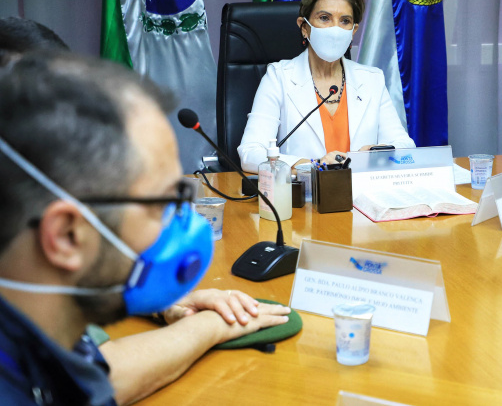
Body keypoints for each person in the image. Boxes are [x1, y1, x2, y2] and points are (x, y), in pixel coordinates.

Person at [0, 51, 292, 405]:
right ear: (67, 236)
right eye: (164, 204)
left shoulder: (36, 331)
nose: (184, 222)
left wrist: (192, 316)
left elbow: (95, 378)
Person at [238, 0, 415, 172]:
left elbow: (404, 147)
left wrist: (374, 153)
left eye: (345, 21)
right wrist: (313, 166)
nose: (335, 29)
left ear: (353, 31)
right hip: (305, 196)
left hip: (362, 195)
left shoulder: (372, 79)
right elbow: (251, 152)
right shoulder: (278, 77)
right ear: (304, 27)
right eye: (324, 18)